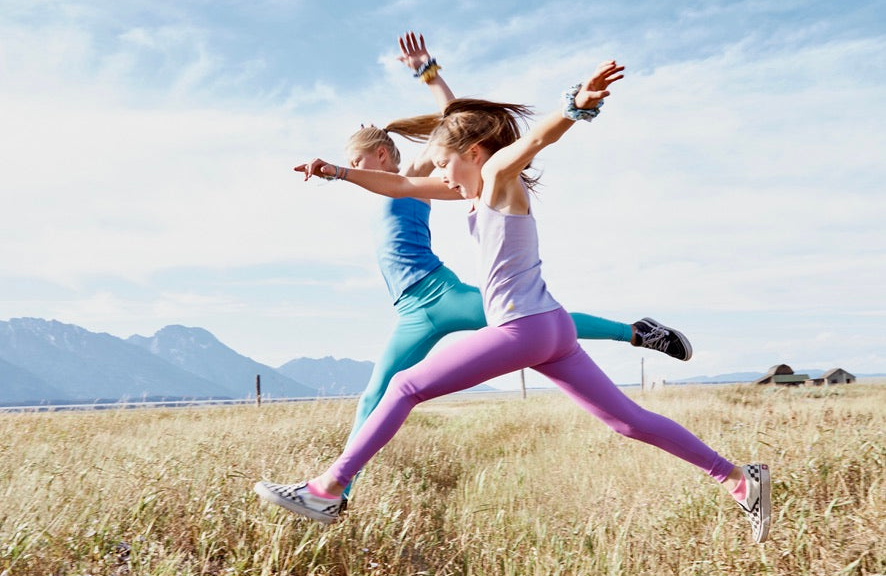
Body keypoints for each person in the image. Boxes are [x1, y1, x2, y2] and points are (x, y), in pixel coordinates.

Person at [255, 58, 771, 542]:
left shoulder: (500, 178)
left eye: (446, 164)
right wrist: (339, 172)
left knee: (405, 386)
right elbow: (404, 181)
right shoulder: (472, 188)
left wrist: (574, 107)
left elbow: (534, 141)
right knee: (627, 421)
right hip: (552, 329)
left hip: (523, 329)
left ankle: (327, 490)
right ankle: (737, 478)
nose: (441, 176)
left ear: (474, 154)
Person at [339, 33, 691, 502]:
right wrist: (340, 171)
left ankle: (635, 332)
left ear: (380, 155)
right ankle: (339, 490)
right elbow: (454, 136)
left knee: (536, 321)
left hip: (439, 294)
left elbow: (456, 126)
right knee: (376, 392)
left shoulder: (420, 174)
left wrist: (429, 74)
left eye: (355, 160)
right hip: (409, 310)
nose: (351, 166)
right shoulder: (407, 182)